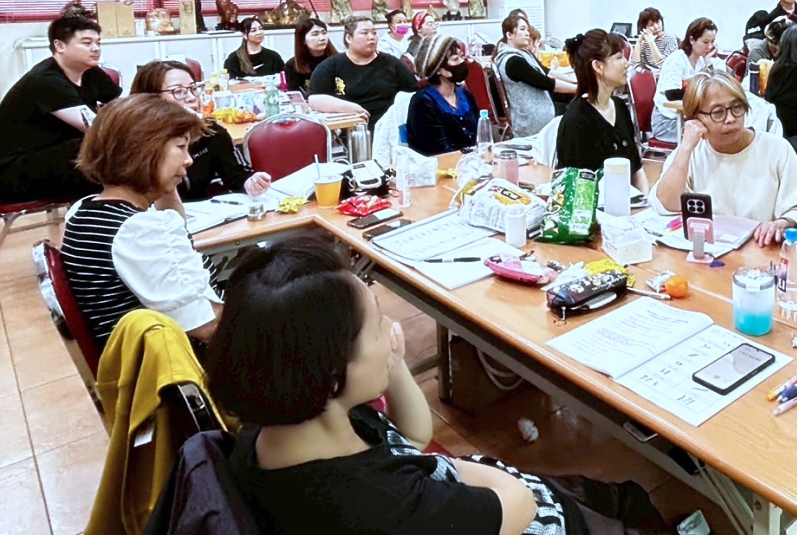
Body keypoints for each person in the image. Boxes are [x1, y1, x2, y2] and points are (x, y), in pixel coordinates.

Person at [207, 234, 668, 535]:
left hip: (471, 490)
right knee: (632, 513)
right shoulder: (383, 508)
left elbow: (411, 438)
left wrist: (390, 363)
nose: (391, 329)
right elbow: (520, 502)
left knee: (620, 495)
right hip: (525, 510)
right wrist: (467, 472)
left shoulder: (290, 417)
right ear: (331, 372)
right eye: (376, 324)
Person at [60, 95, 221, 348]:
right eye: (181, 147)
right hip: (173, 360)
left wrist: (163, 179)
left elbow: (176, 241)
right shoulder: (138, 231)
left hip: (128, 351)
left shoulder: (84, 210)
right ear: (144, 151)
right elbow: (206, 327)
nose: (189, 159)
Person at [651, 71, 797, 245]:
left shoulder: (776, 149)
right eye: (718, 112)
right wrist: (685, 147)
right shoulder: (692, 151)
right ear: (696, 119)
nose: (731, 119)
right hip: (710, 251)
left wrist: (783, 223)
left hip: (761, 250)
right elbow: (666, 205)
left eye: (737, 108)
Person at [0, 14, 121, 202]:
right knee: (98, 148)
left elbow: (122, 105)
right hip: (15, 171)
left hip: (57, 157)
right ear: (59, 46)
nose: (96, 48)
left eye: (98, 43)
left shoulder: (91, 72)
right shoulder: (46, 81)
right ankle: (103, 212)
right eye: (87, 43)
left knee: (103, 150)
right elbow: (95, 128)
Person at [131, 60, 271, 202]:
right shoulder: (135, 141)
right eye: (178, 91)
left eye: (193, 88)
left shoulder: (210, 131)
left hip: (200, 212)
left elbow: (236, 174)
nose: (192, 98)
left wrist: (251, 182)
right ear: (150, 99)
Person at [557, 30, 648, 190]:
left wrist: (645, 200)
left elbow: (636, 168)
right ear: (598, 66)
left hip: (629, 200)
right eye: (619, 58)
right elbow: (578, 189)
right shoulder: (577, 120)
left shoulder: (620, 107)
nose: (626, 63)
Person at [308, 17, 418, 129]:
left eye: (374, 33)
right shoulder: (331, 66)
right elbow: (314, 99)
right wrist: (349, 108)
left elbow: (414, 93)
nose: (371, 37)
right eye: (364, 33)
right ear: (349, 38)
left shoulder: (392, 63)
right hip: (349, 129)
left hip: (388, 128)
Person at [493, 13, 574, 137]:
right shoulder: (513, 61)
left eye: (527, 29)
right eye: (522, 29)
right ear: (509, 35)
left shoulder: (523, 54)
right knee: (577, 108)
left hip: (539, 107)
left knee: (572, 99)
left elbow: (546, 72)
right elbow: (546, 82)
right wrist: (579, 88)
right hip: (531, 117)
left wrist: (573, 81)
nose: (527, 33)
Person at [653, 17, 723, 143]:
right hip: (667, 122)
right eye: (705, 42)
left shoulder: (701, 61)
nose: (710, 47)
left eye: (712, 42)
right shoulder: (677, 60)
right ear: (691, 39)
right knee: (710, 135)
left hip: (686, 119)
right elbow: (671, 94)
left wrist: (708, 63)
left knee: (719, 127)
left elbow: (713, 86)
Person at [406, 35, 478, 156]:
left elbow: (480, 135)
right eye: (455, 59)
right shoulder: (423, 102)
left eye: (462, 56)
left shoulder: (465, 95)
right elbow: (438, 150)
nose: (462, 62)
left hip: (471, 161)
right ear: (438, 69)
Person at [284, 18, 337, 94]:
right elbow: (295, 94)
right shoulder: (293, 65)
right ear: (303, 40)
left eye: (324, 33)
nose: (322, 38)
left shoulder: (339, 60)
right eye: (315, 34)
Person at [628, 6, 678, 75]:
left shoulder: (671, 39)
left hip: (665, 77)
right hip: (648, 78)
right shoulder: (644, 43)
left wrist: (651, 42)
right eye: (651, 25)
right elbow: (634, 66)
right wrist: (639, 42)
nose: (656, 27)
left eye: (658, 22)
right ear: (644, 28)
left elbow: (665, 65)